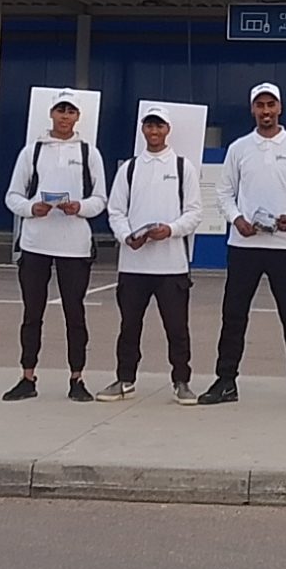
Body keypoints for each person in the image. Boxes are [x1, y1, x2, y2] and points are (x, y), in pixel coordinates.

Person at [200, 81, 286, 409]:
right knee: (234, 314)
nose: (265, 111)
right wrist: (237, 219)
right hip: (244, 245)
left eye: (271, 105)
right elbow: (224, 192)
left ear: (279, 107)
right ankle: (226, 380)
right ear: (252, 109)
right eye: (260, 105)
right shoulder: (239, 148)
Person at [1, 90, 106, 402]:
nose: (65, 116)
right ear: (51, 114)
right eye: (60, 110)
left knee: (75, 313)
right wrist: (31, 208)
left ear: (78, 116)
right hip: (36, 243)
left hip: (74, 246)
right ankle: (27, 377)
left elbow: (100, 199)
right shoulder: (32, 151)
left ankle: (77, 378)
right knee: (32, 313)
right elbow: (12, 196)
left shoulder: (89, 152)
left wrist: (80, 207)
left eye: (70, 111)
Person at [98, 106, 203, 403]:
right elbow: (116, 210)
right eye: (149, 126)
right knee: (129, 327)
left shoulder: (182, 167)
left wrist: (170, 230)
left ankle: (181, 381)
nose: (154, 131)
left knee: (177, 329)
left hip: (172, 266)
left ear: (167, 130)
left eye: (159, 126)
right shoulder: (130, 168)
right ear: (143, 129)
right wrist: (126, 236)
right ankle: (125, 380)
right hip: (134, 265)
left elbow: (194, 212)